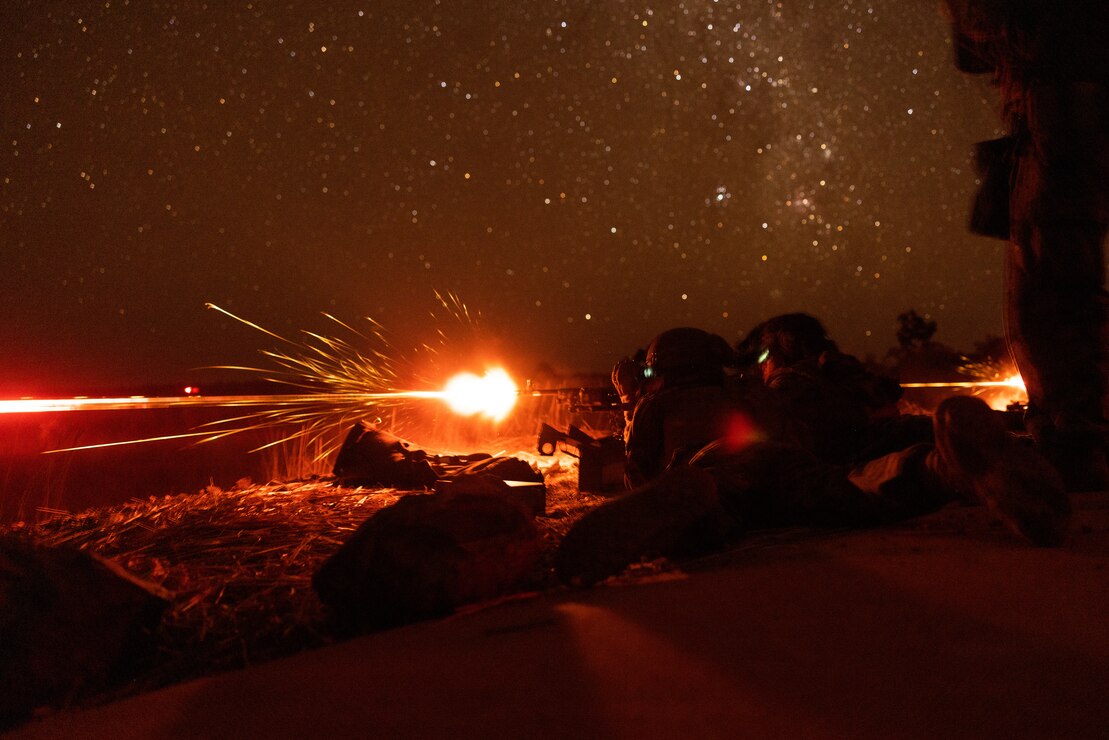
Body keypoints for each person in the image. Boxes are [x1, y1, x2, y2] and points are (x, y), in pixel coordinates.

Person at [556, 320, 1071, 585]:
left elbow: (638, 477)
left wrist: (630, 404)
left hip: (712, 466)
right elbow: (790, 431)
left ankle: (698, 501)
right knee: (848, 490)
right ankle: (942, 467)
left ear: (660, 367)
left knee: (710, 512)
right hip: (779, 461)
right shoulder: (746, 392)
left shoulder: (658, 405)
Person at [944, 0, 1109, 491]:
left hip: (1059, 132)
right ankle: (1079, 433)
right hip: (1064, 129)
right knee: (1062, 283)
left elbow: (978, 49)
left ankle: (1075, 441)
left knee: (1050, 291)